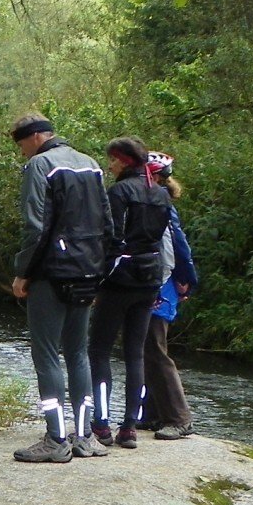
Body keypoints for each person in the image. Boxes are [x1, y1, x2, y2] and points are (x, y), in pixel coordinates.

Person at [10, 112, 109, 464]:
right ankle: (84, 437)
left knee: (47, 354)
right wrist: (100, 272)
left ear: (34, 138)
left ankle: (55, 438)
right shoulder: (91, 164)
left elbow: (35, 226)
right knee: (78, 353)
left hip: (51, 273)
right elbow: (107, 224)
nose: (22, 152)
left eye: (20, 144)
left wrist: (23, 273)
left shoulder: (41, 165)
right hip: (87, 271)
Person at [88, 136, 174, 450]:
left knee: (98, 351)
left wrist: (96, 278)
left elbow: (109, 238)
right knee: (134, 353)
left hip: (119, 280)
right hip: (149, 280)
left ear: (124, 161)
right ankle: (129, 428)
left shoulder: (120, 191)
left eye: (112, 160)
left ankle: (101, 424)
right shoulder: (162, 194)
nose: (109, 165)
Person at [141, 154, 200, 439]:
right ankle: (153, 414)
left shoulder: (159, 204)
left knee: (155, 350)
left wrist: (185, 281)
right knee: (146, 349)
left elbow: (177, 246)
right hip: (158, 283)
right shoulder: (156, 200)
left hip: (160, 285)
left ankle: (179, 419)